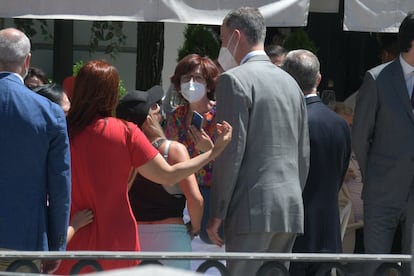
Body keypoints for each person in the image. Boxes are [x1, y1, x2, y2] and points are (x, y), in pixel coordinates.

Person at [54, 60, 232, 274]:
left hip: (73, 233)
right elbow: (168, 175)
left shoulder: (62, 132)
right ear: (112, 93)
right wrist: (214, 152)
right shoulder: (126, 132)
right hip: (118, 239)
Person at [206, 7, 310, 275]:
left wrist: (218, 211)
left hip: (249, 210)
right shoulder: (292, 84)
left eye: (223, 39)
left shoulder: (233, 80)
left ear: (236, 36)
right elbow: (303, 154)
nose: (222, 46)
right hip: (288, 209)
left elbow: (231, 151)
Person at [0, 28, 71, 273]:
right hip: (25, 241)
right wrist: (56, 246)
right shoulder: (50, 113)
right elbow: (60, 187)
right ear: (27, 61)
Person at [117, 86, 208, 270]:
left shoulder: (120, 153)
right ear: (149, 119)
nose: (160, 108)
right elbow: (195, 199)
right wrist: (195, 227)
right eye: (155, 105)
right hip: (170, 236)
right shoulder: (173, 150)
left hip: (134, 236)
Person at [352, 11, 414, 275]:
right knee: (374, 266)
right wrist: (374, 176)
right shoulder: (377, 79)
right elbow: (360, 138)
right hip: (382, 191)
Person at [282, 49, 351, 276]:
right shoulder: (340, 124)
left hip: (295, 232)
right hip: (329, 229)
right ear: (318, 79)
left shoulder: (291, 120)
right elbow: (340, 173)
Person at [165, 53, 223, 244]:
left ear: (208, 84)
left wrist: (210, 151)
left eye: (197, 78)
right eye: (185, 79)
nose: (191, 83)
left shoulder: (220, 115)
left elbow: (232, 163)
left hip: (210, 197)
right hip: (179, 195)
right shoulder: (176, 116)